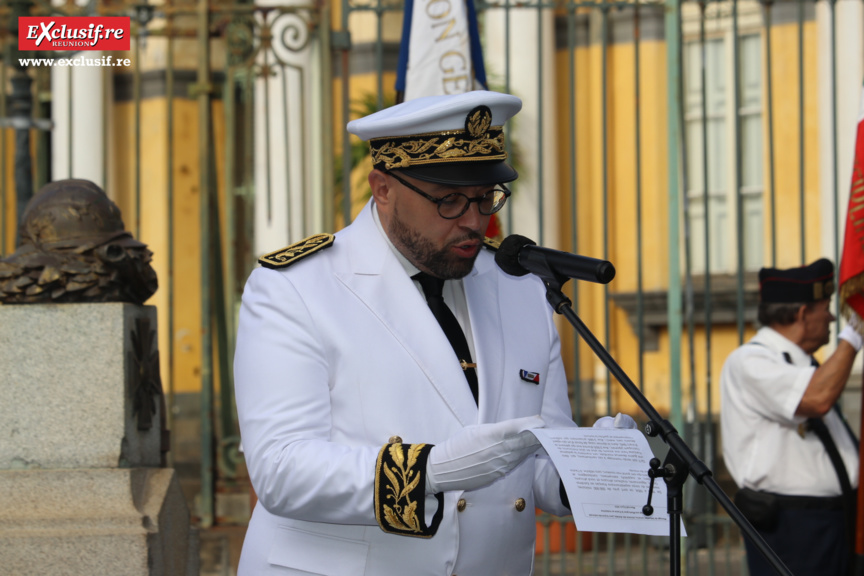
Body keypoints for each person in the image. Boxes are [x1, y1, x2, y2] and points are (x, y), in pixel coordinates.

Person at [233, 90, 632, 575]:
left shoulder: (521, 289)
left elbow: (530, 461)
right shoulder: (296, 287)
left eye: (486, 197)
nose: (473, 220)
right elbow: (282, 471)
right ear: (383, 188)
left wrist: (583, 468)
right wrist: (434, 470)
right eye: (449, 201)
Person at [720, 258, 863, 576]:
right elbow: (817, 399)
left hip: (834, 520)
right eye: (825, 308)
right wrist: (854, 334)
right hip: (794, 526)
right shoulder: (751, 362)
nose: (830, 317)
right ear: (802, 313)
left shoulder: (805, 366)